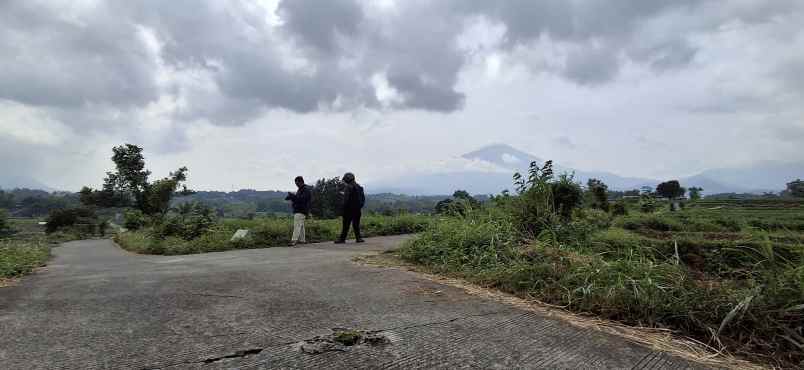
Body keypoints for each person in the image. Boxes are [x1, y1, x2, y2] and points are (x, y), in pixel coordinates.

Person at [335, 172, 365, 244]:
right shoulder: (359, 187)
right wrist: (359, 207)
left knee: (345, 226)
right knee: (356, 225)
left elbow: (346, 200)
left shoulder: (348, 187)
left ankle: (342, 239)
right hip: (357, 210)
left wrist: (342, 209)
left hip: (348, 210)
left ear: (348, 179)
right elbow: (363, 199)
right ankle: (358, 238)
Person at [285, 176, 312, 246]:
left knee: (297, 225)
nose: (296, 184)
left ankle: (294, 240)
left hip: (301, 210)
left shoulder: (305, 190)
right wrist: (291, 197)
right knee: (301, 226)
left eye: (297, 183)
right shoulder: (301, 189)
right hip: (301, 210)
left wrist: (293, 196)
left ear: (300, 182)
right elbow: (298, 199)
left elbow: (302, 200)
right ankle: (302, 240)